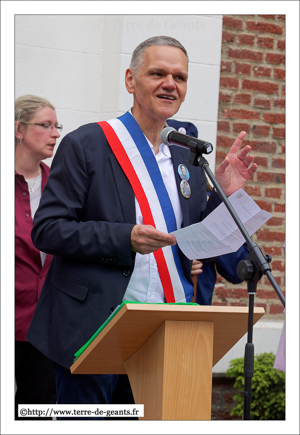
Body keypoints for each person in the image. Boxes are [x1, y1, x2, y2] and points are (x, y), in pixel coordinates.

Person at [27, 36, 257, 418]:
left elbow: (196, 238)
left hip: (167, 327)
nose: (171, 83)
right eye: (158, 73)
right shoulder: (87, 143)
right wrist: (125, 237)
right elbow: (48, 230)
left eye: (180, 77)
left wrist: (225, 195)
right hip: (94, 327)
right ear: (131, 80)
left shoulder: (188, 153)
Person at [167, 118, 249, 305]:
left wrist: (211, 226)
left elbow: (237, 270)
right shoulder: (149, 195)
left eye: (185, 155)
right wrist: (180, 260)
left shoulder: (212, 199)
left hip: (197, 310)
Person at [15, 95, 62, 419]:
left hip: (45, 324)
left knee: (37, 414)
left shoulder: (59, 185)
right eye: (45, 125)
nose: (55, 133)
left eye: (56, 126)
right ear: (19, 129)